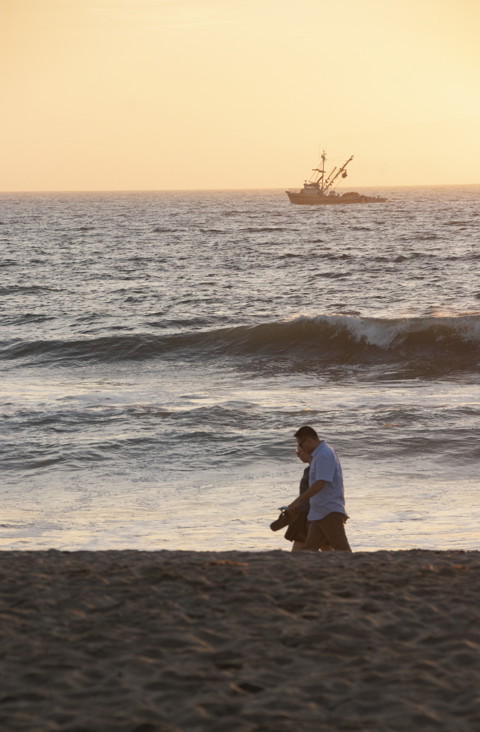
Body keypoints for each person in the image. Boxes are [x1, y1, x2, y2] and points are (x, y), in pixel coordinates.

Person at [287, 425, 351, 552]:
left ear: (309, 441)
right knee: (309, 549)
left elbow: (321, 483)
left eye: (301, 444)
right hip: (320, 512)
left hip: (328, 511)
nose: (301, 448)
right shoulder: (320, 454)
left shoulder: (324, 455)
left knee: (342, 549)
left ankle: (358, 571)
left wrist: (298, 500)